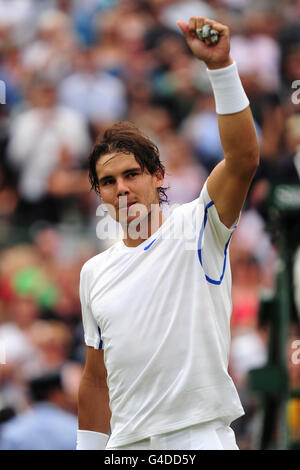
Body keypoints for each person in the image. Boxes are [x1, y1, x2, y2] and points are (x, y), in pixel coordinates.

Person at [76, 16, 259, 450]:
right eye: (107, 181)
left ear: (157, 175)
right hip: (125, 449)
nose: (120, 187)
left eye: (131, 174)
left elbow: (243, 159)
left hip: (198, 440)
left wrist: (221, 67)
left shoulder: (199, 225)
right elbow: (96, 380)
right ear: (99, 193)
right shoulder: (94, 272)